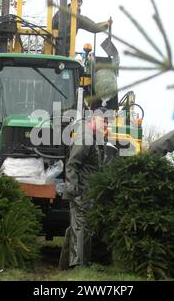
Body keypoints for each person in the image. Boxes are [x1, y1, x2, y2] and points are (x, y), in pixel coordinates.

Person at [58, 108, 109, 270]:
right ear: (93, 120)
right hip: (81, 191)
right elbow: (72, 165)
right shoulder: (85, 138)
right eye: (104, 121)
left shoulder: (92, 138)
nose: (106, 125)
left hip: (86, 191)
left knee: (77, 226)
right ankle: (79, 265)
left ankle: (65, 266)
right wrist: (74, 191)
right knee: (81, 227)